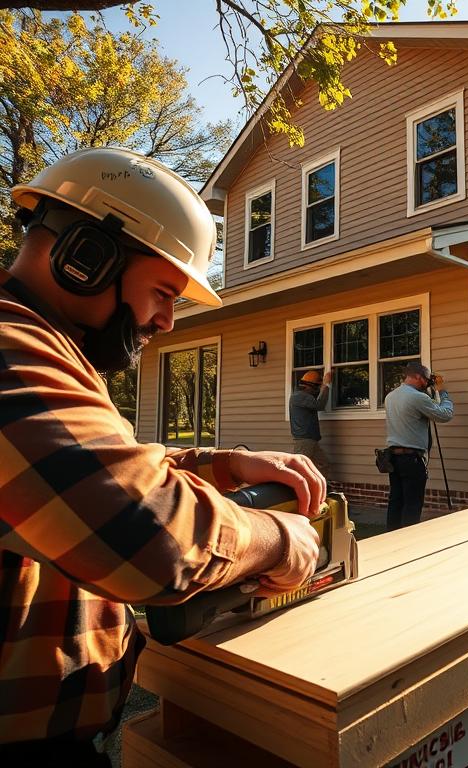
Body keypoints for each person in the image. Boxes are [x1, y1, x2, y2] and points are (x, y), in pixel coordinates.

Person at [0, 147, 325, 766]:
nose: (169, 322)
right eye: (164, 291)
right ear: (86, 258)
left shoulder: (41, 352)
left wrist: (228, 463)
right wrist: (277, 539)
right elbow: (153, 537)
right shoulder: (10, 352)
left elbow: (99, 470)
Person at [383, 362, 453, 530]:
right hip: (412, 459)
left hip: (393, 458)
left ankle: (390, 538)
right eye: (426, 380)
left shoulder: (390, 396)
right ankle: (409, 541)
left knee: (396, 501)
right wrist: (442, 392)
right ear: (417, 377)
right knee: (412, 504)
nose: (427, 383)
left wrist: (431, 391)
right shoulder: (417, 397)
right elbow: (444, 415)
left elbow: (425, 409)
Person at [289, 369, 333, 477]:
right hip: (304, 441)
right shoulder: (300, 397)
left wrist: (323, 386)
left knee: (324, 464)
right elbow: (320, 405)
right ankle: (295, 491)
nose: (317, 389)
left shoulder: (302, 397)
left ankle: (321, 487)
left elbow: (316, 400)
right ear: (310, 386)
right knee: (299, 468)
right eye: (316, 387)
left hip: (311, 441)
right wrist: (326, 385)